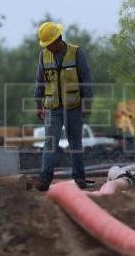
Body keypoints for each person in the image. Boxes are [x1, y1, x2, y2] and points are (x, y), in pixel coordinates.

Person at [34, 22, 93, 191]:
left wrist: (86, 104)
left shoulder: (76, 53)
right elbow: (40, 82)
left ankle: (79, 179)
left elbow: (86, 80)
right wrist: (39, 104)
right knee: (50, 143)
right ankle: (45, 180)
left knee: (75, 143)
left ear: (58, 39)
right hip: (53, 108)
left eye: (49, 43)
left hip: (74, 106)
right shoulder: (44, 56)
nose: (47, 47)